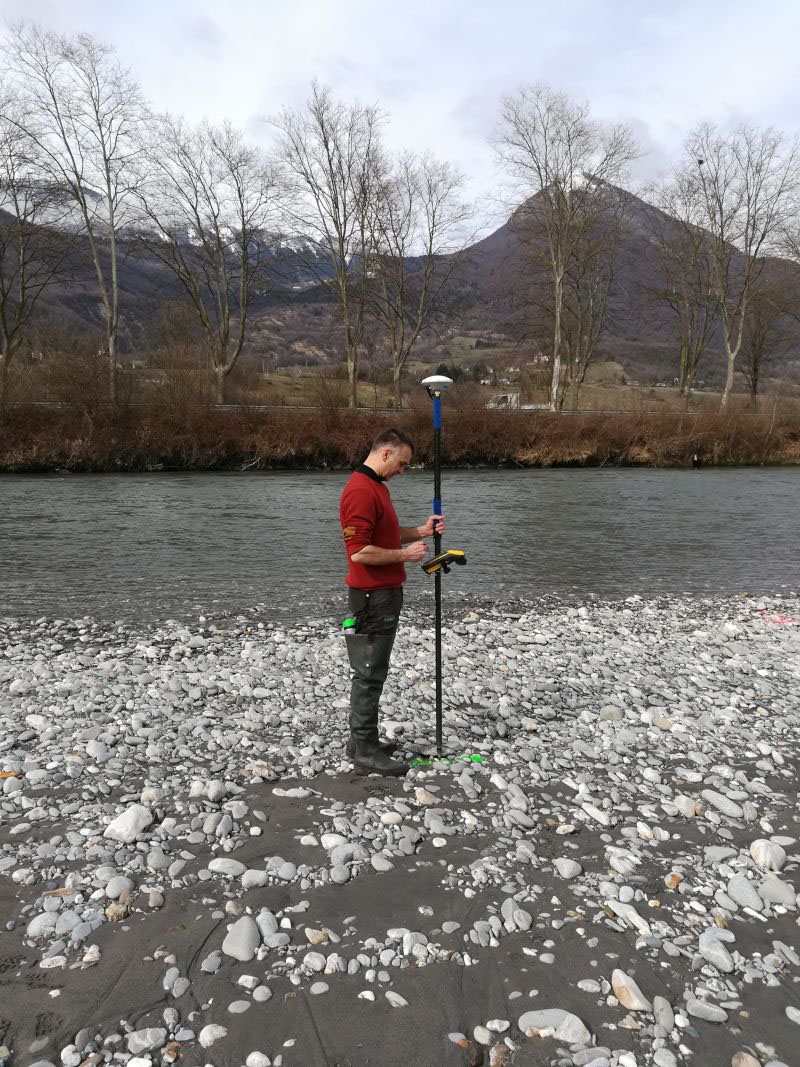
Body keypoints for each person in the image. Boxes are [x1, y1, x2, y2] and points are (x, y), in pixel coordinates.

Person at [339, 428, 445, 776]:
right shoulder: (359, 491)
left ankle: (361, 741)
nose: (403, 471)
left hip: (384, 593)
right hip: (373, 597)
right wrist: (406, 554)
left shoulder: (377, 488)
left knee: (373, 672)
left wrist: (419, 531)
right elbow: (359, 553)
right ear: (386, 454)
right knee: (369, 673)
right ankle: (365, 750)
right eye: (402, 464)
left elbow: (381, 535)